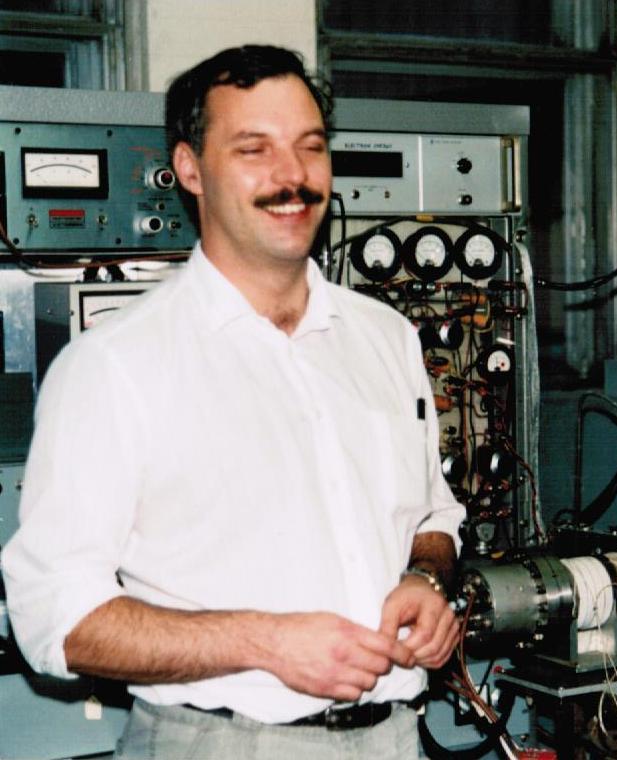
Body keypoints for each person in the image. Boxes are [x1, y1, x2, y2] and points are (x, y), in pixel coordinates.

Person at [0, 45, 465, 759]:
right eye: (254, 149)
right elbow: (52, 617)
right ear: (189, 168)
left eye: (310, 148)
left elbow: (433, 516)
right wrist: (265, 642)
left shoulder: (385, 339)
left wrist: (426, 578)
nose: (292, 177)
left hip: (397, 737)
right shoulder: (115, 367)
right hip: (220, 742)